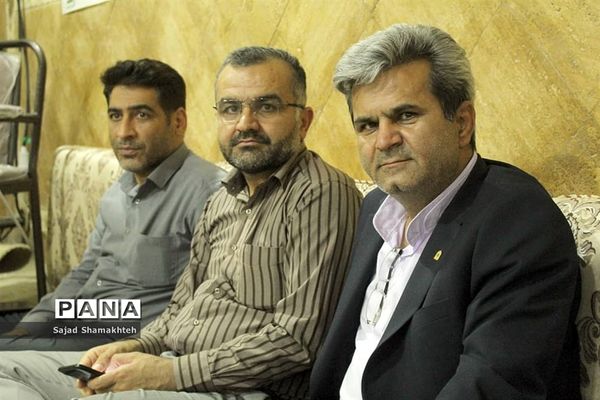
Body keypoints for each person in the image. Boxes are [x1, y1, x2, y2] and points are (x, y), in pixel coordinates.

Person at [0, 47, 362, 399]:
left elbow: (297, 338)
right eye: (230, 108)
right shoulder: (187, 194)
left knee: (18, 342)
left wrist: (150, 356)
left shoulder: (214, 188)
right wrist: (51, 321)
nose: (124, 132)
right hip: (131, 333)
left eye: (267, 106)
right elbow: (101, 276)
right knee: (7, 357)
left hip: (141, 329)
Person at [310, 23, 581, 400]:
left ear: (462, 123)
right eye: (368, 125)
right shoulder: (375, 207)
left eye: (406, 115)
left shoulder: (517, 220)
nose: (384, 140)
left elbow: (492, 384)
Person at [0, 58, 225, 350]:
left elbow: (211, 305)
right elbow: (86, 271)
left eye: (141, 115)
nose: (123, 132)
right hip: (82, 320)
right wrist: (31, 326)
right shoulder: (118, 190)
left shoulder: (210, 194)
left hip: (122, 342)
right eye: (115, 116)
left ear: (178, 122)